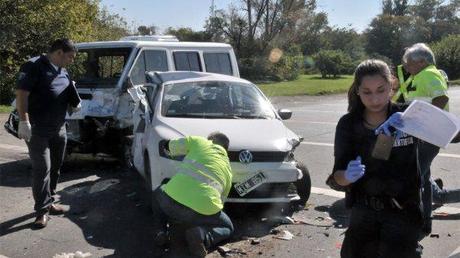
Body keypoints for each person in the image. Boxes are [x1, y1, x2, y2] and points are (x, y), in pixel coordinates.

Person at [326, 59, 424, 257]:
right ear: (358, 91)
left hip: (403, 212)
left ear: (391, 86)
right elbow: (337, 177)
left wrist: (424, 121)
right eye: (367, 92)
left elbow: (449, 135)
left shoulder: (407, 116)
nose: (375, 99)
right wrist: (347, 176)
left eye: (381, 90)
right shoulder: (348, 124)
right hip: (364, 213)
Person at [16, 38, 81, 228]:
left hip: (59, 127)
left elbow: (64, 92)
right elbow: (21, 94)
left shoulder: (63, 70)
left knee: (55, 167)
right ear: (59, 52)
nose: (71, 61)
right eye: (69, 57)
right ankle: (41, 211)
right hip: (37, 129)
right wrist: (23, 121)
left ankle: (50, 201)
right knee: (42, 168)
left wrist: (74, 104)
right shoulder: (33, 65)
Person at [396, 43, 460, 209]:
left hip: (430, 136)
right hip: (423, 135)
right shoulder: (419, 75)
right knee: (422, 178)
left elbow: (441, 98)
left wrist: (425, 122)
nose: (406, 67)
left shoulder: (430, 74)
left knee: (414, 175)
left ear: (422, 62)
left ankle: (418, 213)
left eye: (409, 63)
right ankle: (434, 194)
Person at [151, 132, 233, 257]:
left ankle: (161, 232)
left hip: (171, 202)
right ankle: (203, 235)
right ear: (226, 149)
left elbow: (170, 146)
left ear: (210, 140)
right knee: (228, 227)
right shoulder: (229, 171)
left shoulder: (199, 141)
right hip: (200, 213)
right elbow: (220, 203)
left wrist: (166, 145)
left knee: (159, 191)